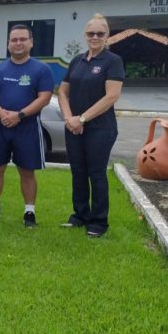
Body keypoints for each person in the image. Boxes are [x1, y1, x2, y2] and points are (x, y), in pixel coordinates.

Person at [0, 25, 54, 227]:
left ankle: (29, 212)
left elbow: (44, 97)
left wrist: (19, 115)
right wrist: (4, 115)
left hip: (27, 126)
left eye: (22, 39)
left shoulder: (42, 69)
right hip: (0, 126)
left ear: (31, 42)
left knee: (27, 171)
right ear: (8, 44)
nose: (18, 43)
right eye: (14, 40)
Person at [58, 14, 124, 238]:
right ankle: (80, 215)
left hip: (100, 128)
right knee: (78, 172)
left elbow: (111, 96)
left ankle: (98, 221)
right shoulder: (77, 60)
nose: (95, 37)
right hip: (74, 127)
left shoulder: (113, 61)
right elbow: (62, 92)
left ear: (107, 36)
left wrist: (82, 119)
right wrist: (70, 119)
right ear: (85, 35)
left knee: (96, 173)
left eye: (99, 33)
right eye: (90, 33)